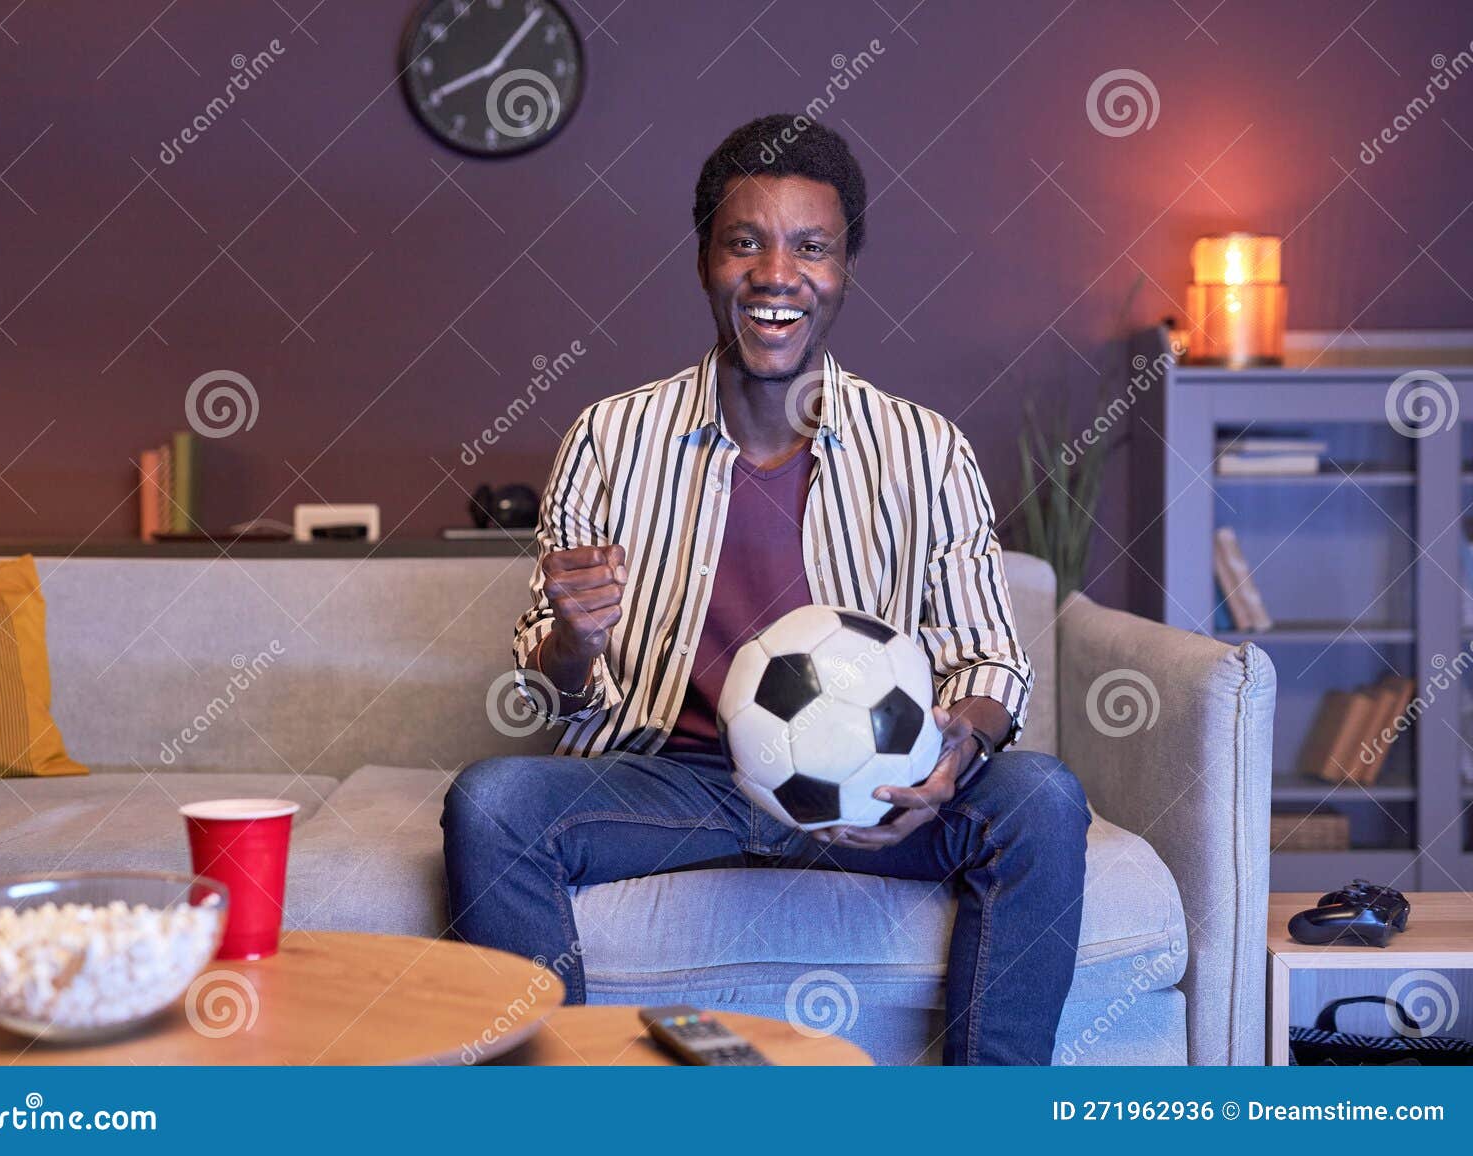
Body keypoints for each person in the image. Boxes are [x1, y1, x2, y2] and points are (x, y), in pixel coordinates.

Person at [442, 113, 1090, 1065]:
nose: (777, 274)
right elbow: (552, 690)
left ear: (846, 268)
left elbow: (986, 656)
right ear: (705, 259)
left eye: (811, 248)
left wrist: (957, 746)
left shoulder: (925, 449)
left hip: (872, 795)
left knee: (1042, 798)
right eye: (744, 242)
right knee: (491, 802)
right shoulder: (610, 440)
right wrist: (571, 643)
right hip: (678, 782)